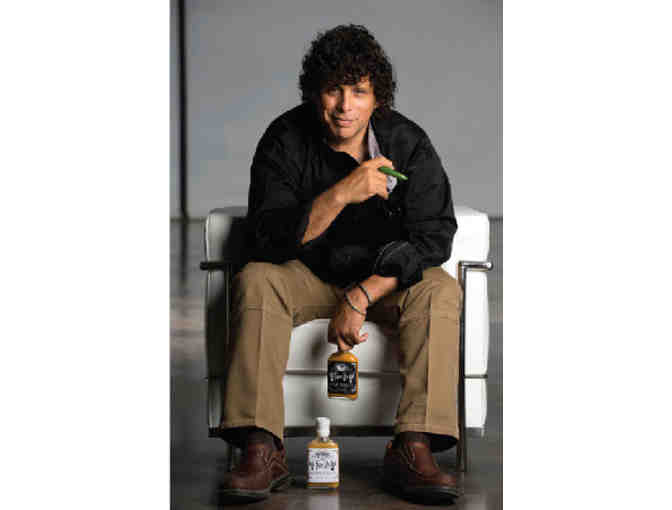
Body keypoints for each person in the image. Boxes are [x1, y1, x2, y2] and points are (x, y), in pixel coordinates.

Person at [218, 24, 463, 504]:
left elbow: (434, 234)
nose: (345, 106)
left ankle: (413, 446)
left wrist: (362, 294)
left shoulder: (407, 142)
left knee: (439, 288)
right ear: (315, 94)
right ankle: (261, 447)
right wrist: (342, 194)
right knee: (257, 279)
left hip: (381, 280)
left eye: (359, 92)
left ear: (377, 99)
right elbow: (266, 236)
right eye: (334, 90)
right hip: (307, 273)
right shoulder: (284, 139)